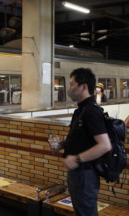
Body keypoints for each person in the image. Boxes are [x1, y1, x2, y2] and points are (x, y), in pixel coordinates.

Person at [51, 68, 111, 216]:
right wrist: (62, 144)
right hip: (79, 173)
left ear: (83, 87)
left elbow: (105, 145)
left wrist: (77, 159)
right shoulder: (81, 111)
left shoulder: (91, 111)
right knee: (81, 211)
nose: (69, 88)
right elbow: (83, 140)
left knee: (86, 212)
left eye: (71, 84)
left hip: (85, 174)